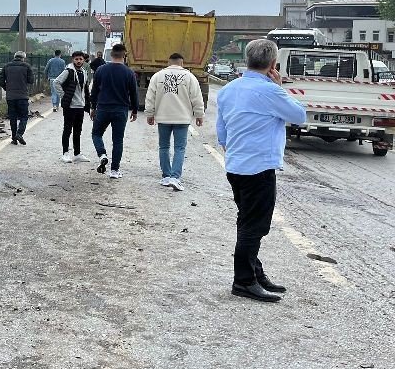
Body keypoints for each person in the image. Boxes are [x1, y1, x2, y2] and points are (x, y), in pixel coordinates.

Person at [216, 38, 306, 303]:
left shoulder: (229, 89)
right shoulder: (270, 91)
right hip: (260, 168)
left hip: (236, 165)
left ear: (247, 60)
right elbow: (299, 116)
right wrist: (278, 86)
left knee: (247, 221)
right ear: (272, 64)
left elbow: (221, 131)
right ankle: (243, 281)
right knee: (253, 227)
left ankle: (255, 272)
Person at [145, 52, 205, 191]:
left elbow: (150, 96)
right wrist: (199, 115)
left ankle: (166, 176)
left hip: (163, 117)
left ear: (169, 62)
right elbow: (196, 97)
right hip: (182, 118)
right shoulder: (189, 77)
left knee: (164, 146)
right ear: (182, 63)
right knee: (180, 148)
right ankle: (175, 177)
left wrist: (150, 113)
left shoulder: (158, 76)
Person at [90, 43, 139, 179]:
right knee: (118, 140)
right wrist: (134, 110)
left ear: (111, 55)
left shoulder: (100, 70)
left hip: (103, 108)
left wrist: (93, 107)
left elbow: (94, 91)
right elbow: (134, 93)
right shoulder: (129, 72)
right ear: (124, 55)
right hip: (121, 110)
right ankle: (114, 170)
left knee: (96, 134)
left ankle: (102, 154)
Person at [53, 51, 92, 163]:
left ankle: (77, 153)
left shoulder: (84, 71)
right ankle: (65, 153)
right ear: (73, 60)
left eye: (80, 59)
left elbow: (85, 88)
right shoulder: (68, 71)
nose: (78, 61)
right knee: (67, 129)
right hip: (70, 106)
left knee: (78, 130)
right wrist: (64, 96)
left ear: (83, 60)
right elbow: (56, 82)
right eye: (76, 59)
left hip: (80, 105)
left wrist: (87, 103)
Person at [0, 51, 34, 145]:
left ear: (14, 57)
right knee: (24, 116)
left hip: (10, 97)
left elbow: (0, 80)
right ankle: (19, 134)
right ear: (23, 58)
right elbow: (31, 80)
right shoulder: (26, 66)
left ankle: (14, 138)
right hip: (23, 96)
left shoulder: (6, 66)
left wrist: (7, 88)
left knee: (13, 117)